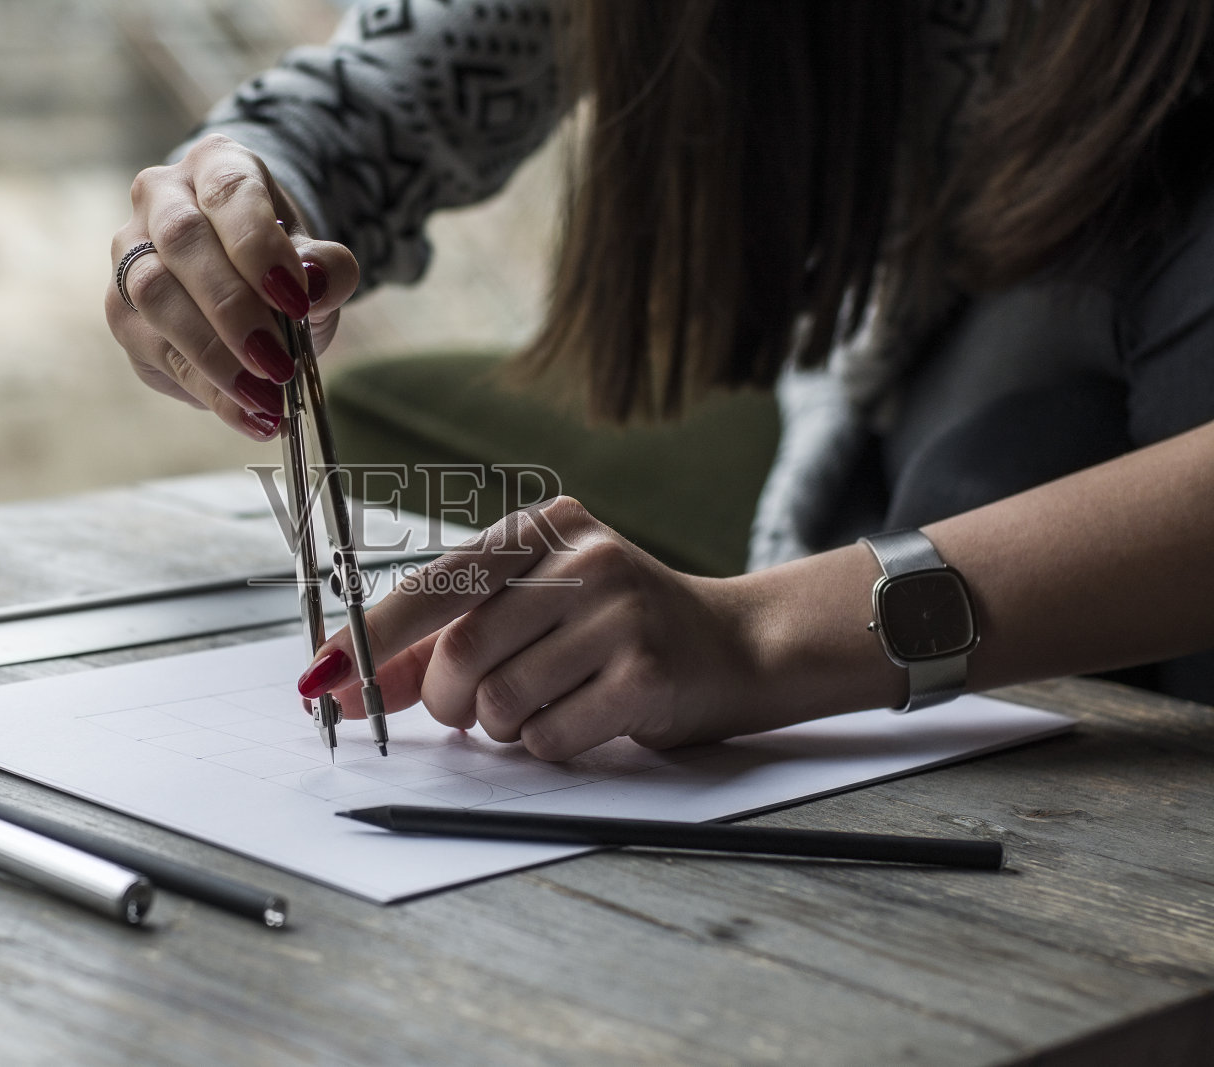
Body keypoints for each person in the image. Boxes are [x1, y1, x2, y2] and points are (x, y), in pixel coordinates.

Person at [105, 0, 1214, 760]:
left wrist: (761, 635)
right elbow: (368, 101)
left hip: (1084, 412)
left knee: (998, 456)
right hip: (872, 401)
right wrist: (231, 198)